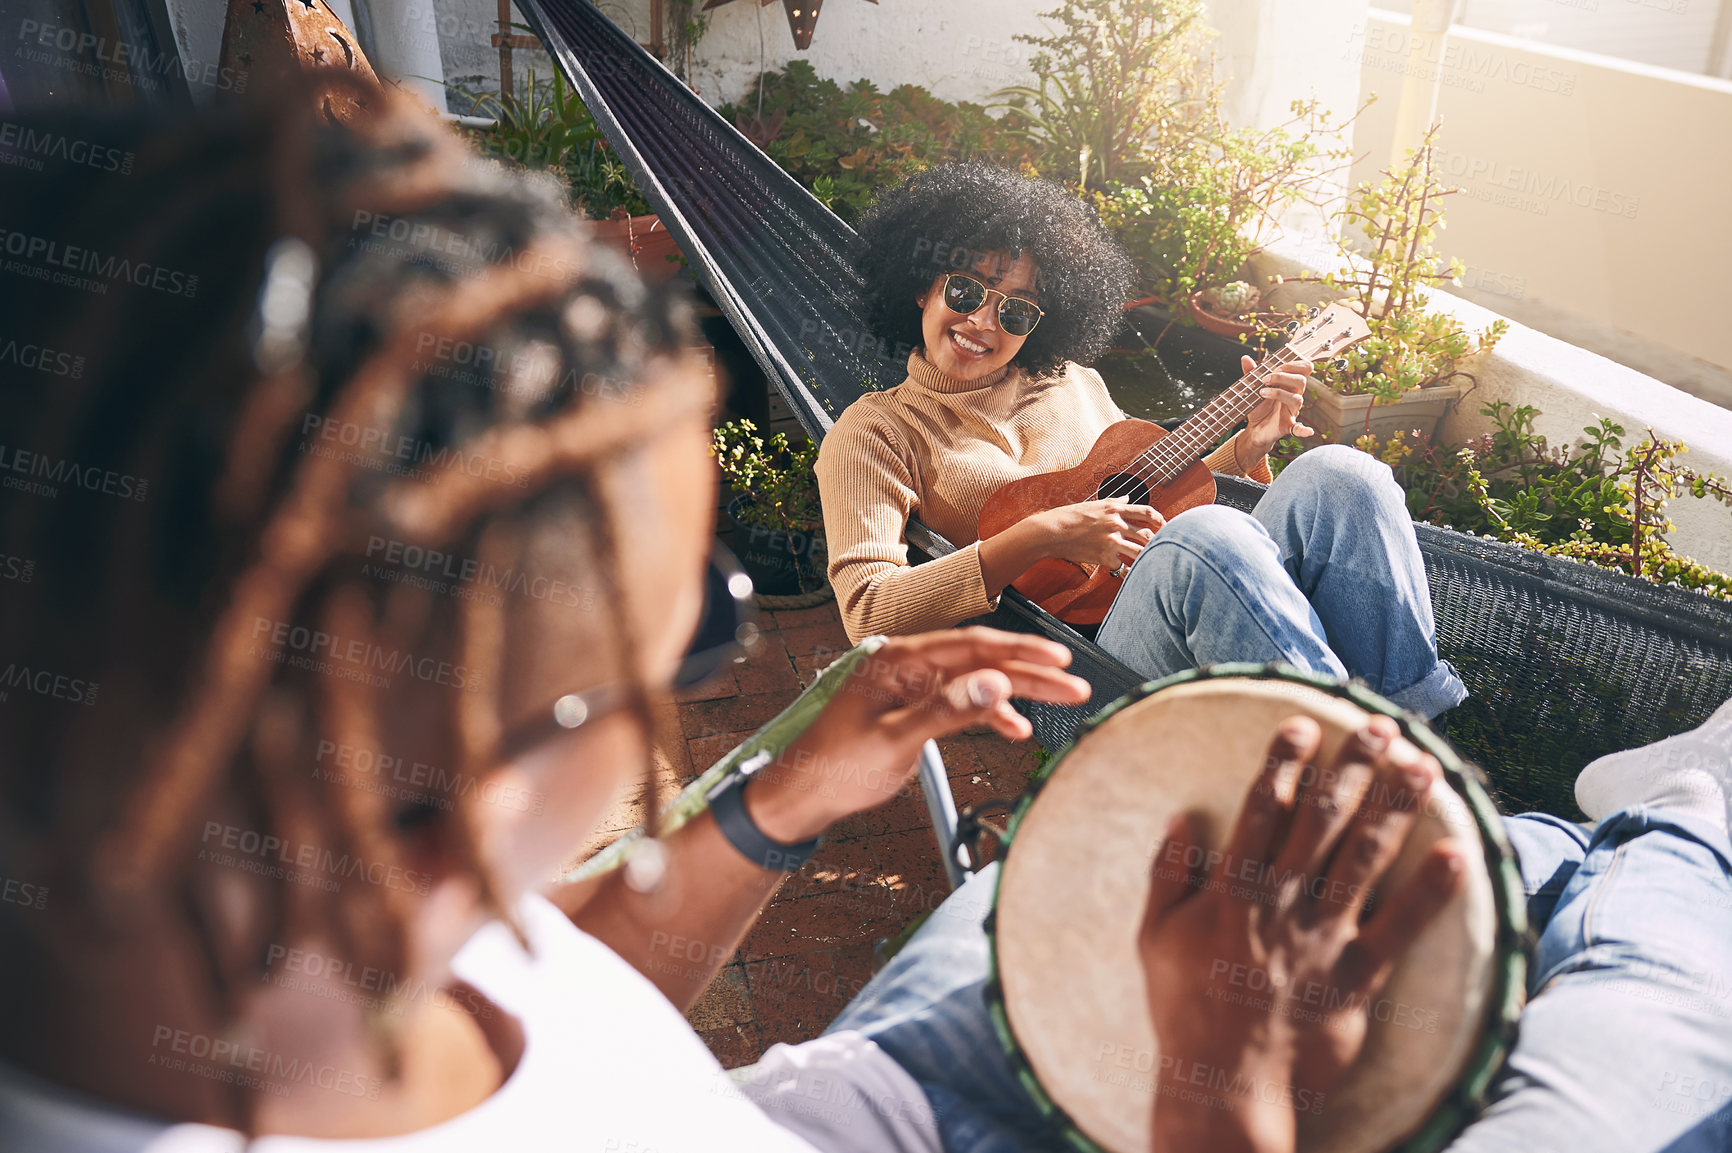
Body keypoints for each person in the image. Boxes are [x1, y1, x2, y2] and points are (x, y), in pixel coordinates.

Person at [1, 84, 1725, 1153]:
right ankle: (1597, 821)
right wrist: (1215, 1089)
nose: (655, 726)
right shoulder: (872, 436)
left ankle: (1499, 792)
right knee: (1679, 897)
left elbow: (549, 1005)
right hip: (1082, 812)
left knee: (1317, 513)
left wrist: (773, 797)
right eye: (673, 642)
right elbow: (886, 591)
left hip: (896, 1059)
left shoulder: (350, 947)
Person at [815, 162, 1467, 720]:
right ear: (922, 286)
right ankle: (1360, 764)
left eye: (1016, 309)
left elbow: (1144, 493)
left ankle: (1415, 740)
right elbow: (868, 612)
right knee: (1210, 535)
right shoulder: (875, 432)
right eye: (965, 290)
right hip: (1080, 666)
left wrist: (1245, 452)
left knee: (1344, 476)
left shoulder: (1072, 381)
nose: (984, 320)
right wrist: (1041, 535)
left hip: (1177, 600)